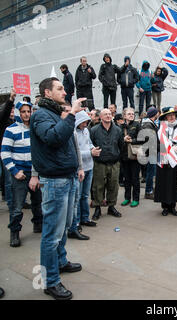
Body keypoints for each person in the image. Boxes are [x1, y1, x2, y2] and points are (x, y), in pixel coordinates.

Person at [30, 77, 85, 300]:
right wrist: (71, 114)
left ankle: (60, 262)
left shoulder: (55, 113)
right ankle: (50, 281)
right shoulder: (40, 115)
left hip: (68, 178)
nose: (65, 92)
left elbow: (67, 141)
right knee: (52, 234)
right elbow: (53, 138)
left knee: (63, 229)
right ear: (47, 93)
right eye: (60, 88)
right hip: (55, 181)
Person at [1, 101, 43, 247]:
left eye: (28, 111)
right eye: (23, 111)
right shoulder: (11, 130)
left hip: (34, 172)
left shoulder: (35, 129)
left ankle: (38, 225)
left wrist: (37, 172)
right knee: (17, 206)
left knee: (37, 202)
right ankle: (14, 232)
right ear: (19, 112)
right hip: (19, 173)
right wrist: (14, 171)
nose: (26, 114)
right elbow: (5, 152)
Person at [60, 105, 89, 241]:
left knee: (78, 199)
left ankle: (74, 227)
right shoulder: (57, 130)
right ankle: (71, 227)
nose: (70, 113)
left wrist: (80, 168)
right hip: (60, 175)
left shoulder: (76, 131)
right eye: (66, 111)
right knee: (67, 204)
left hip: (77, 170)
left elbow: (77, 150)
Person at [90, 108, 124, 221]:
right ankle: (97, 208)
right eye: (106, 114)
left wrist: (117, 157)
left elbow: (121, 146)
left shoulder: (118, 130)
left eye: (110, 114)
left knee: (113, 185)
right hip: (99, 163)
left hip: (114, 163)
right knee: (98, 186)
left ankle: (111, 207)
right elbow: (90, 145)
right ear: (100, 117)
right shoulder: (94, 130)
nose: (108, 116)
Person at [155, 107, 177, 216]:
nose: (172, 117)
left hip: (176, 160)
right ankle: (165, 207)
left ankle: (173, 206)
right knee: (164, 184)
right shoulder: (160, 129)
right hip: (164, 160)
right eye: (169, 115)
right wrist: (169, 149)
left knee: (174, 185)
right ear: (165, 117)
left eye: (173, 115)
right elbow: (156, 145)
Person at [120, 108, 141, 208]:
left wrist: (132, 140)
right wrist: (123, 139)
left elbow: (143, 138)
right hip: (124, 156)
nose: (131, 115)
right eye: (129, 114)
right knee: (126, 179)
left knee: (135, 178)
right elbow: (117, 139)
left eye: (133, 114)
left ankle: (136, 199)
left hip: (134, 156)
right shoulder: (120, 126)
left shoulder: (137, 125)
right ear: (124, 116)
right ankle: (127, 198)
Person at [0, 88, 16, 212]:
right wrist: (10, 100)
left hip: (8, 152)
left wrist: (11, 100)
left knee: (9, 178)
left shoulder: (12, 121)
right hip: (4, 152)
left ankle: (11, 200)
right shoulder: (4, 119)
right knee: (7, 179)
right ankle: (10, 201)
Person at [141, 106, 159, 199]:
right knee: (150, 173)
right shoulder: (148, 125)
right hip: (151, 152)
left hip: (151, 151)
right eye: (157, 113)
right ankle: (148, 191)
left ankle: (150, 190)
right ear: (155, 114)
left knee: (151, 172)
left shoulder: (149, 124)